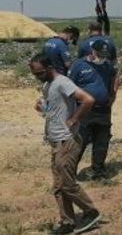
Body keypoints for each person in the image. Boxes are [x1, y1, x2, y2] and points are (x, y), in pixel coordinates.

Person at [30, 54, 102, 234]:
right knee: (58, 186)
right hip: (55, 140)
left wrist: (74, 118)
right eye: (35, 74)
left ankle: (90, 211)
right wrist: (41, 107)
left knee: (67, 183)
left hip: (67, 140)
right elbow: (51, 109)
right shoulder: (47, 85)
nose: (37, 77)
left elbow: (88, 100)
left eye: (39, 73)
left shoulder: (63, 82)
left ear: (48, 68)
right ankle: (67, 222)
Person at [70, 39, 117, 180]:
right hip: (84, 110)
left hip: (103, 110)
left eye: (105, 55)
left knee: (101, 142)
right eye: (100, 54)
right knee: (79, 142)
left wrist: (112, 96)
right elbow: (69, 86)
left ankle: (99, 172)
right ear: (93, 51)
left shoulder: (107, 65)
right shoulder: (79, 65)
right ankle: (70, 174)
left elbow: (114, 78)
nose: (102, 58)